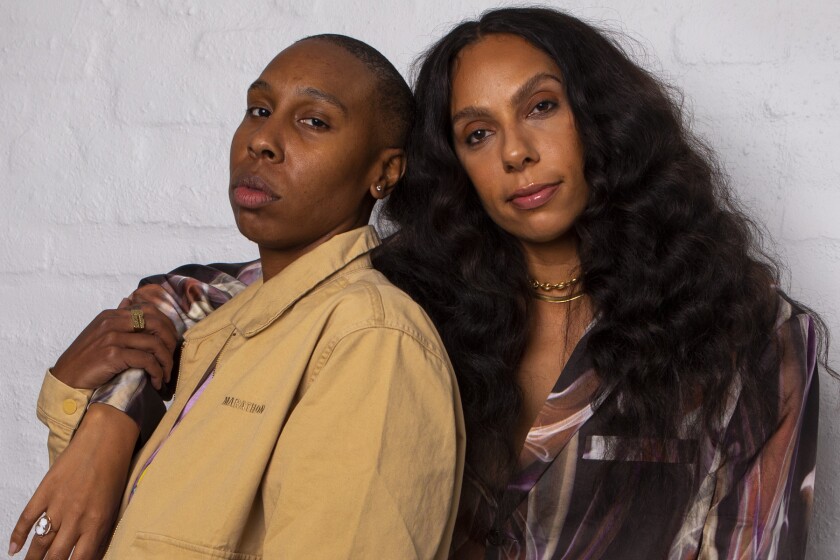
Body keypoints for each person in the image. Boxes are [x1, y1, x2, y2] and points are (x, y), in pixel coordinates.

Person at [13, 7, 829, 559]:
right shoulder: (408, 299)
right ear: (452, 165)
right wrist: (110, 426)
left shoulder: (754, 338)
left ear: (603, 118)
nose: (514, 152)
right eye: (478, 132)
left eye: (540, 108)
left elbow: (754, 541)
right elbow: (193, 297)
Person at [9, 34, 464, 559]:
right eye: (259, 109)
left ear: (384, 172)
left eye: (314, 121)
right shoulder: (227, 325)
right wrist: (85, 406)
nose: (263, 140)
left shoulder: (372, 341)